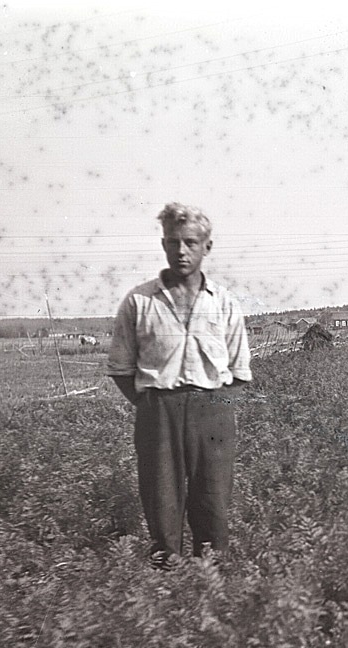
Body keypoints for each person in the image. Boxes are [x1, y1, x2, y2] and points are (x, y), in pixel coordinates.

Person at [107, 203, 251, 568]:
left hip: (213, 411)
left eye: (190, 242)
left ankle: (211, 582)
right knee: (162, 502)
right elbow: (122, 369)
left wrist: (216, 407)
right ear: (163, 244)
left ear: (207, 247)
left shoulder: (225, 304)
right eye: (173, 242)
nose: (181, 251)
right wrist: (152, 406)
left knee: (213, 501)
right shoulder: (139, 302)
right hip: (158, 411)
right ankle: (166, 584)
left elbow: (239, 370)